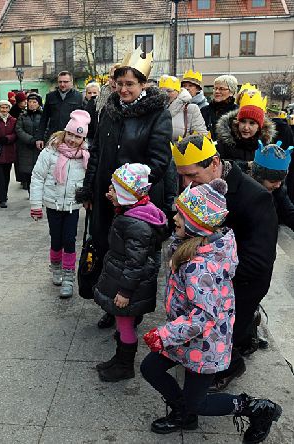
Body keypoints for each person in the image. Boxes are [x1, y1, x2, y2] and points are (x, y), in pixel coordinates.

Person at [141, 179, 282, 443]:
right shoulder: (194, 247)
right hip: (187, 336)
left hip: (204, 343)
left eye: (180, 215)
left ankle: (257, 409)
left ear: (196, 224)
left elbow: (204, 316)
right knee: (151, 368)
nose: (174, 217)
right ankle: (184, 412)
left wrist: (165, 334)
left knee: (199, 402)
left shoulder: (200, 266)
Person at [172, 134, 278, 391]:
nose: (186, 184)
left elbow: (260, 261)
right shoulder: (195, 186)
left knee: (219, 334)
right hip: (204, 275)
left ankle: (231, 365)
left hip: (240, 282)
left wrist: (211, 270)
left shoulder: (255, 198)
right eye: (182, 176)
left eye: (192, 175)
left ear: (215, 163)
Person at [79, 47, 172, 329]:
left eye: (130, 84)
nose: (123, 89)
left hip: (136, 204)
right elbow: (96, 151)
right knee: (109, 250)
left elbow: (158, 161)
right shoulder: (109, 111)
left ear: (143, 85)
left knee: (132, 254)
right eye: (119, 84)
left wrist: (131, 192)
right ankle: (111, 304)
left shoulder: (158, 115)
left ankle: (132, 306)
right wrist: (88, 190)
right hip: (106, 196)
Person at [93, 163, 167, 382]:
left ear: (126, 195)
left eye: (114, 190)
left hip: (130, 286)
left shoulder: (135, 224)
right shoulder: (135, 213)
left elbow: (135, 263)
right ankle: (119, 358)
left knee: (125, 324)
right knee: (122, 322)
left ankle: (125, 366)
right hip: (127, 281)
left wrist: (125, 291)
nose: (109, 193)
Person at [30, 110, 91, 298]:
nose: (73, 140)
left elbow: (89, 181)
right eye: (71, 134)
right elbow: (37, 177)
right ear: (65, 132)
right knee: (56, 239)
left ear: (83, 138)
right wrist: (35, 205)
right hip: (53, 203)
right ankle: (55, 267)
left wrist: (88, 198)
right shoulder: (50, 152)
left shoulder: (85, 157)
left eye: (78, 136)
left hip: (72, 206)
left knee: (69, 240)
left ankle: (68, 276)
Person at [159, 75, 207, 222]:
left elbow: (201, 135)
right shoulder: (156, 108)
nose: (166, 94)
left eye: (169, 91)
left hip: (183, 159)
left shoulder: (191, 109)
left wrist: (180, 147)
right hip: (160, 158)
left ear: (177, 91)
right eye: (162, 91)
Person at [216, 88, 275, 170]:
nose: (246, 127)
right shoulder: (224, 143)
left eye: (252, 123)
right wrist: (245, 165)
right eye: (243, 122)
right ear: (237, 122)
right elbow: (218, 166)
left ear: (259, 127)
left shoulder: (265, 147)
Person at [249, 142, 294, 230]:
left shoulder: (279, 190)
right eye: (272, 181)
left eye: (280, 181)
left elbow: (289, 212)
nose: (278, 185)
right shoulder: (243, 190)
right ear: (258, 177)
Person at [35, 71, 84, 148]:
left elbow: (82, 120)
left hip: (71, 138)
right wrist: (39, 137)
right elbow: (44, 118)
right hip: (53, 136)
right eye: (60, 82)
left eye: (65, 82)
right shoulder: (50, 96)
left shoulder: (79, 97)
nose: (62, 84)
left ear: (71, 82)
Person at [0, 100, 18, 208]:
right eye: (2, 108)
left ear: (9, 109)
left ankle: (4, 196)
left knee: (6, 177)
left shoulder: (13, 120)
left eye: (6, 108)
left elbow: (16, 133)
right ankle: (2, 199)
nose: (4, 110)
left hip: (9, 152)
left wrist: (8, 139)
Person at [15, 92, 44, 193]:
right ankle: (32, 195)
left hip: (40, 147)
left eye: (34, 102)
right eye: (30, 102)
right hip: (26, 148)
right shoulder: (23, 116)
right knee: (28, 173)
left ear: (39, 103)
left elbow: (47, 128)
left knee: (40, 172)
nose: (32, 104)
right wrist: (30, 140)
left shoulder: (43, 115)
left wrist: (39, 139)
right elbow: (19, 129)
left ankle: (40, 195)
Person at [201, 75, 238, 140]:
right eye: (215, 88)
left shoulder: (237, 112)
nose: (217, 91)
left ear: (232, 91)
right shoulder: (204, 110)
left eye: (221, 89)